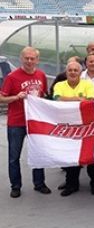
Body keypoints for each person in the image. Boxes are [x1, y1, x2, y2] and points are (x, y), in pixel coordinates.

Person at [0, 46, 51, 198]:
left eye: (32, 58)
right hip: (17, 122)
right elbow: (2, 98)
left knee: (38, 153)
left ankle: (39, 183)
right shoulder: (12, 77)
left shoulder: (41, 75)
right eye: (26, 58)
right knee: (14, 156)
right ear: (21, 59)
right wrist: (16, 97)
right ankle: (15, 186)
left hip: (35, 121)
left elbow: (44, 96)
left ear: (37, 60)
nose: (29, 61)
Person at [53, 61, 94, 196]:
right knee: (70, 156)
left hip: (87, 125)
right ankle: (71, 184)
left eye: (76, 70)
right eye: (70, 70)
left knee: (92, 156)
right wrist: (78, 99)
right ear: (66, 72)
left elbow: (90, 101)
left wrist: (68, 100)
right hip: (69, 127)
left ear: (81, 73)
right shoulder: (59, 85)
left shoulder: (88, 84)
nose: (73, 72)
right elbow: (56, 99)